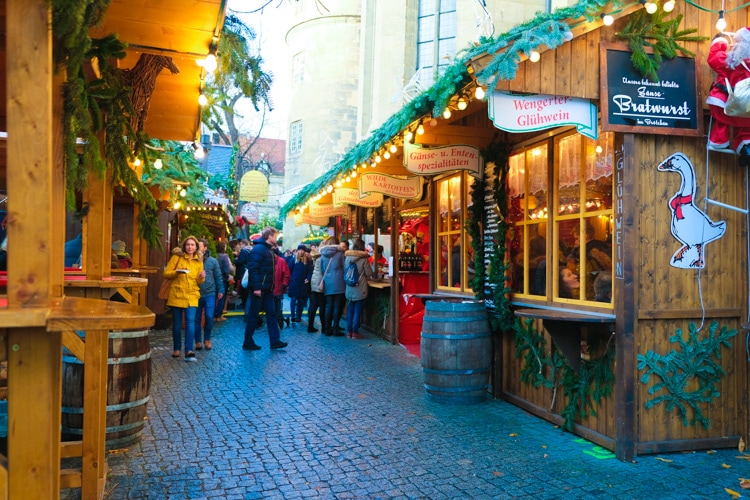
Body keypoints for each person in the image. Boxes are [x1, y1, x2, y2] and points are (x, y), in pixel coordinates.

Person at [706, 28, 750, 165]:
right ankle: (746, 147)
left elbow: (714, 59)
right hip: (747, 109)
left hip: (726, 102)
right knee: (745, 127)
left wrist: (720, 41)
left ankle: (719, 141)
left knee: (723, 120)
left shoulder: (732, 60)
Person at [242, 227, 287, 350]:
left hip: (267, 289)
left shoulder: (268, 249)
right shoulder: (259, 249)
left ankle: (275, 341)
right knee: (253, 315)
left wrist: (276, 249)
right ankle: (248, 341)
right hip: (260, 289)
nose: (276, 238)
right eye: (275, 236)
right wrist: (256, 287)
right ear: (269, 236)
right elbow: (253, 269)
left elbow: (283, 258)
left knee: (271, 314)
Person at [163, 235, 205, 361]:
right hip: (177, 294)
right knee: (176, 324)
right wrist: (177, 272)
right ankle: (177, 349)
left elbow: (199, 281)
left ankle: (189, 350)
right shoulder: (177, 257)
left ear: (196, 247)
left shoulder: (199, 261)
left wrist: (202, 276)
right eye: (188, 245)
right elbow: (166, 273)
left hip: (192, 295)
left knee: (190, 322)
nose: (190, 247)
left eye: (192, 245)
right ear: (184, 246)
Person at [194, 238, 224, 352]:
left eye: (199, 246)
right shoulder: (194, 260)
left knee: (209, 317)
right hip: (196, 293)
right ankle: (197, 341)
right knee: (196, 318)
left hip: (210, 293)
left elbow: (218, 276)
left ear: (205, 248)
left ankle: (207, 339)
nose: (197, 248)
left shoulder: (213, 261)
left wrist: (221, 290)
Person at [344, 238, 373, 339]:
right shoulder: (363, 259)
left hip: (349, 286)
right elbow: (369, 273)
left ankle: (349, 331)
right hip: (360, 287)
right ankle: (355, 332)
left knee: (350, 309)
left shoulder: (347, 258)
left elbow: (345, 270)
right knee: (357, 310)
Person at [319, 236, 346, 336]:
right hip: (339, 282)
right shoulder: (340, 253)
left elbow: (322, 270)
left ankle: (327, 329)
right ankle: (335, 329)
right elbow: (345, 267)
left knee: (328, 306)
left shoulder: (323, 254)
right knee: (337, 306)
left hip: (328, 282)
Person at [286, 244, 313, 323]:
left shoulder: (308, 260)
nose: (301, 252)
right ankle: (293, 316)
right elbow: (289, 270)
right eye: (299, 250)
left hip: (303, 283)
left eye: (302, 250)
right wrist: (289, 280)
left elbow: (310, 271)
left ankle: (298, 316)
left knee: (300, 300)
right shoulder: (293, 260)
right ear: (297, 251)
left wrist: (308, 278)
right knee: (293, 299)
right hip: (294, 282)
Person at [214, 241, 234, 322]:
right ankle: (219, 316)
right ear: (224, 248)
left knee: (215, 297)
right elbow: (227, 270)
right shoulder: (224, 257)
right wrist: (227, 277)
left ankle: (214, 315)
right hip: (223, 279)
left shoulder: (215, 256)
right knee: (222, 297)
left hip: (215, 279)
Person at [307, 246, 326, 333]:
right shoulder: (322, 259)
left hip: (314, 283)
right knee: (322, 306)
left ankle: (310, 326)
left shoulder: (315, 258)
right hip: (319, 283)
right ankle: (324, 327)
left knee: (314, 306)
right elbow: (323, 271)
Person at [273, 247, 291, 330]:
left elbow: (286, 275)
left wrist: (284, 284)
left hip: (277, 289)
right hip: (271, 289)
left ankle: (277, 320)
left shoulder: (281, 261)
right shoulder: (267, 261)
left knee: (277, 306)